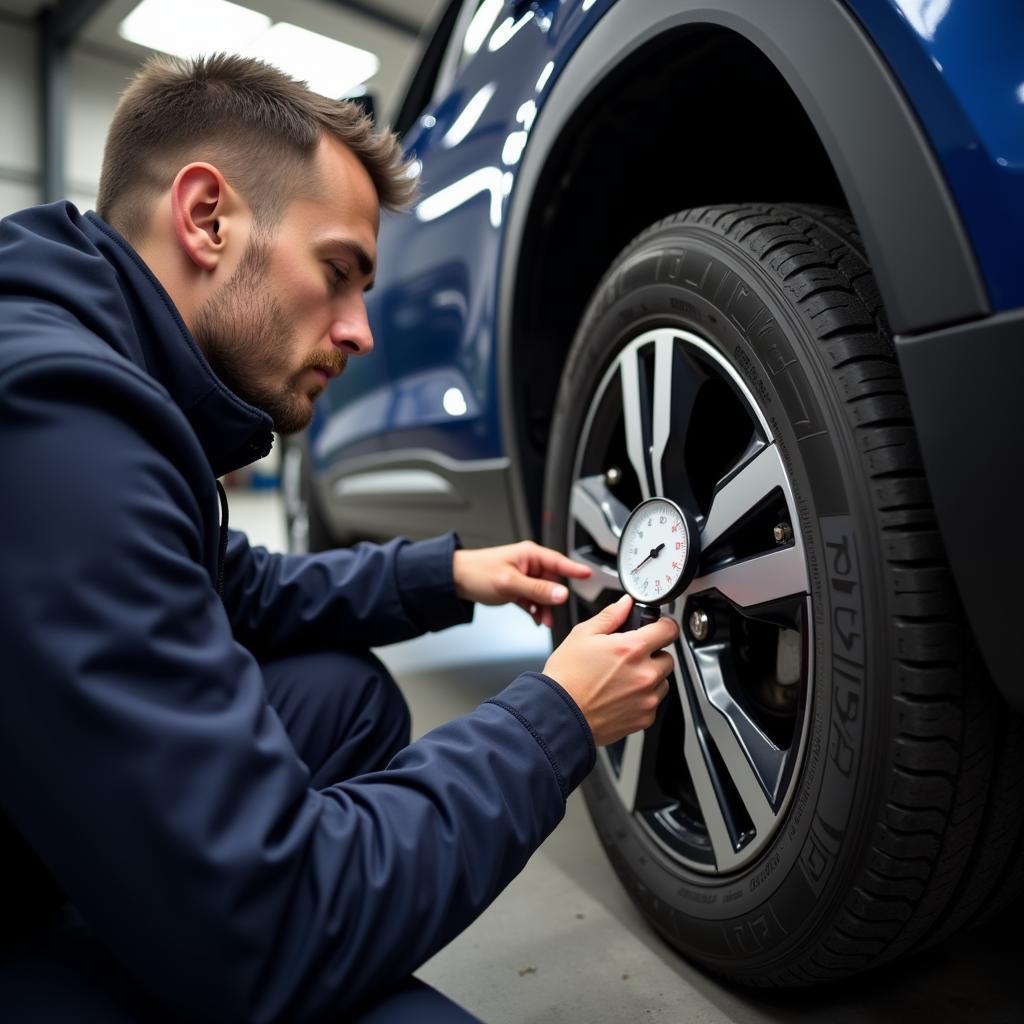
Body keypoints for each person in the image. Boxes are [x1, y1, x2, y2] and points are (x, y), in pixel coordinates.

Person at [0, 55, 678, 1023]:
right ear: (205, 218)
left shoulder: (96, 362)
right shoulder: (59, 429)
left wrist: (443, 573)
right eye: (337, 273)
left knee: (347, 696)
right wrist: (555, 716)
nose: (361, 332)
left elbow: (243, 592)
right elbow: (271, 921)